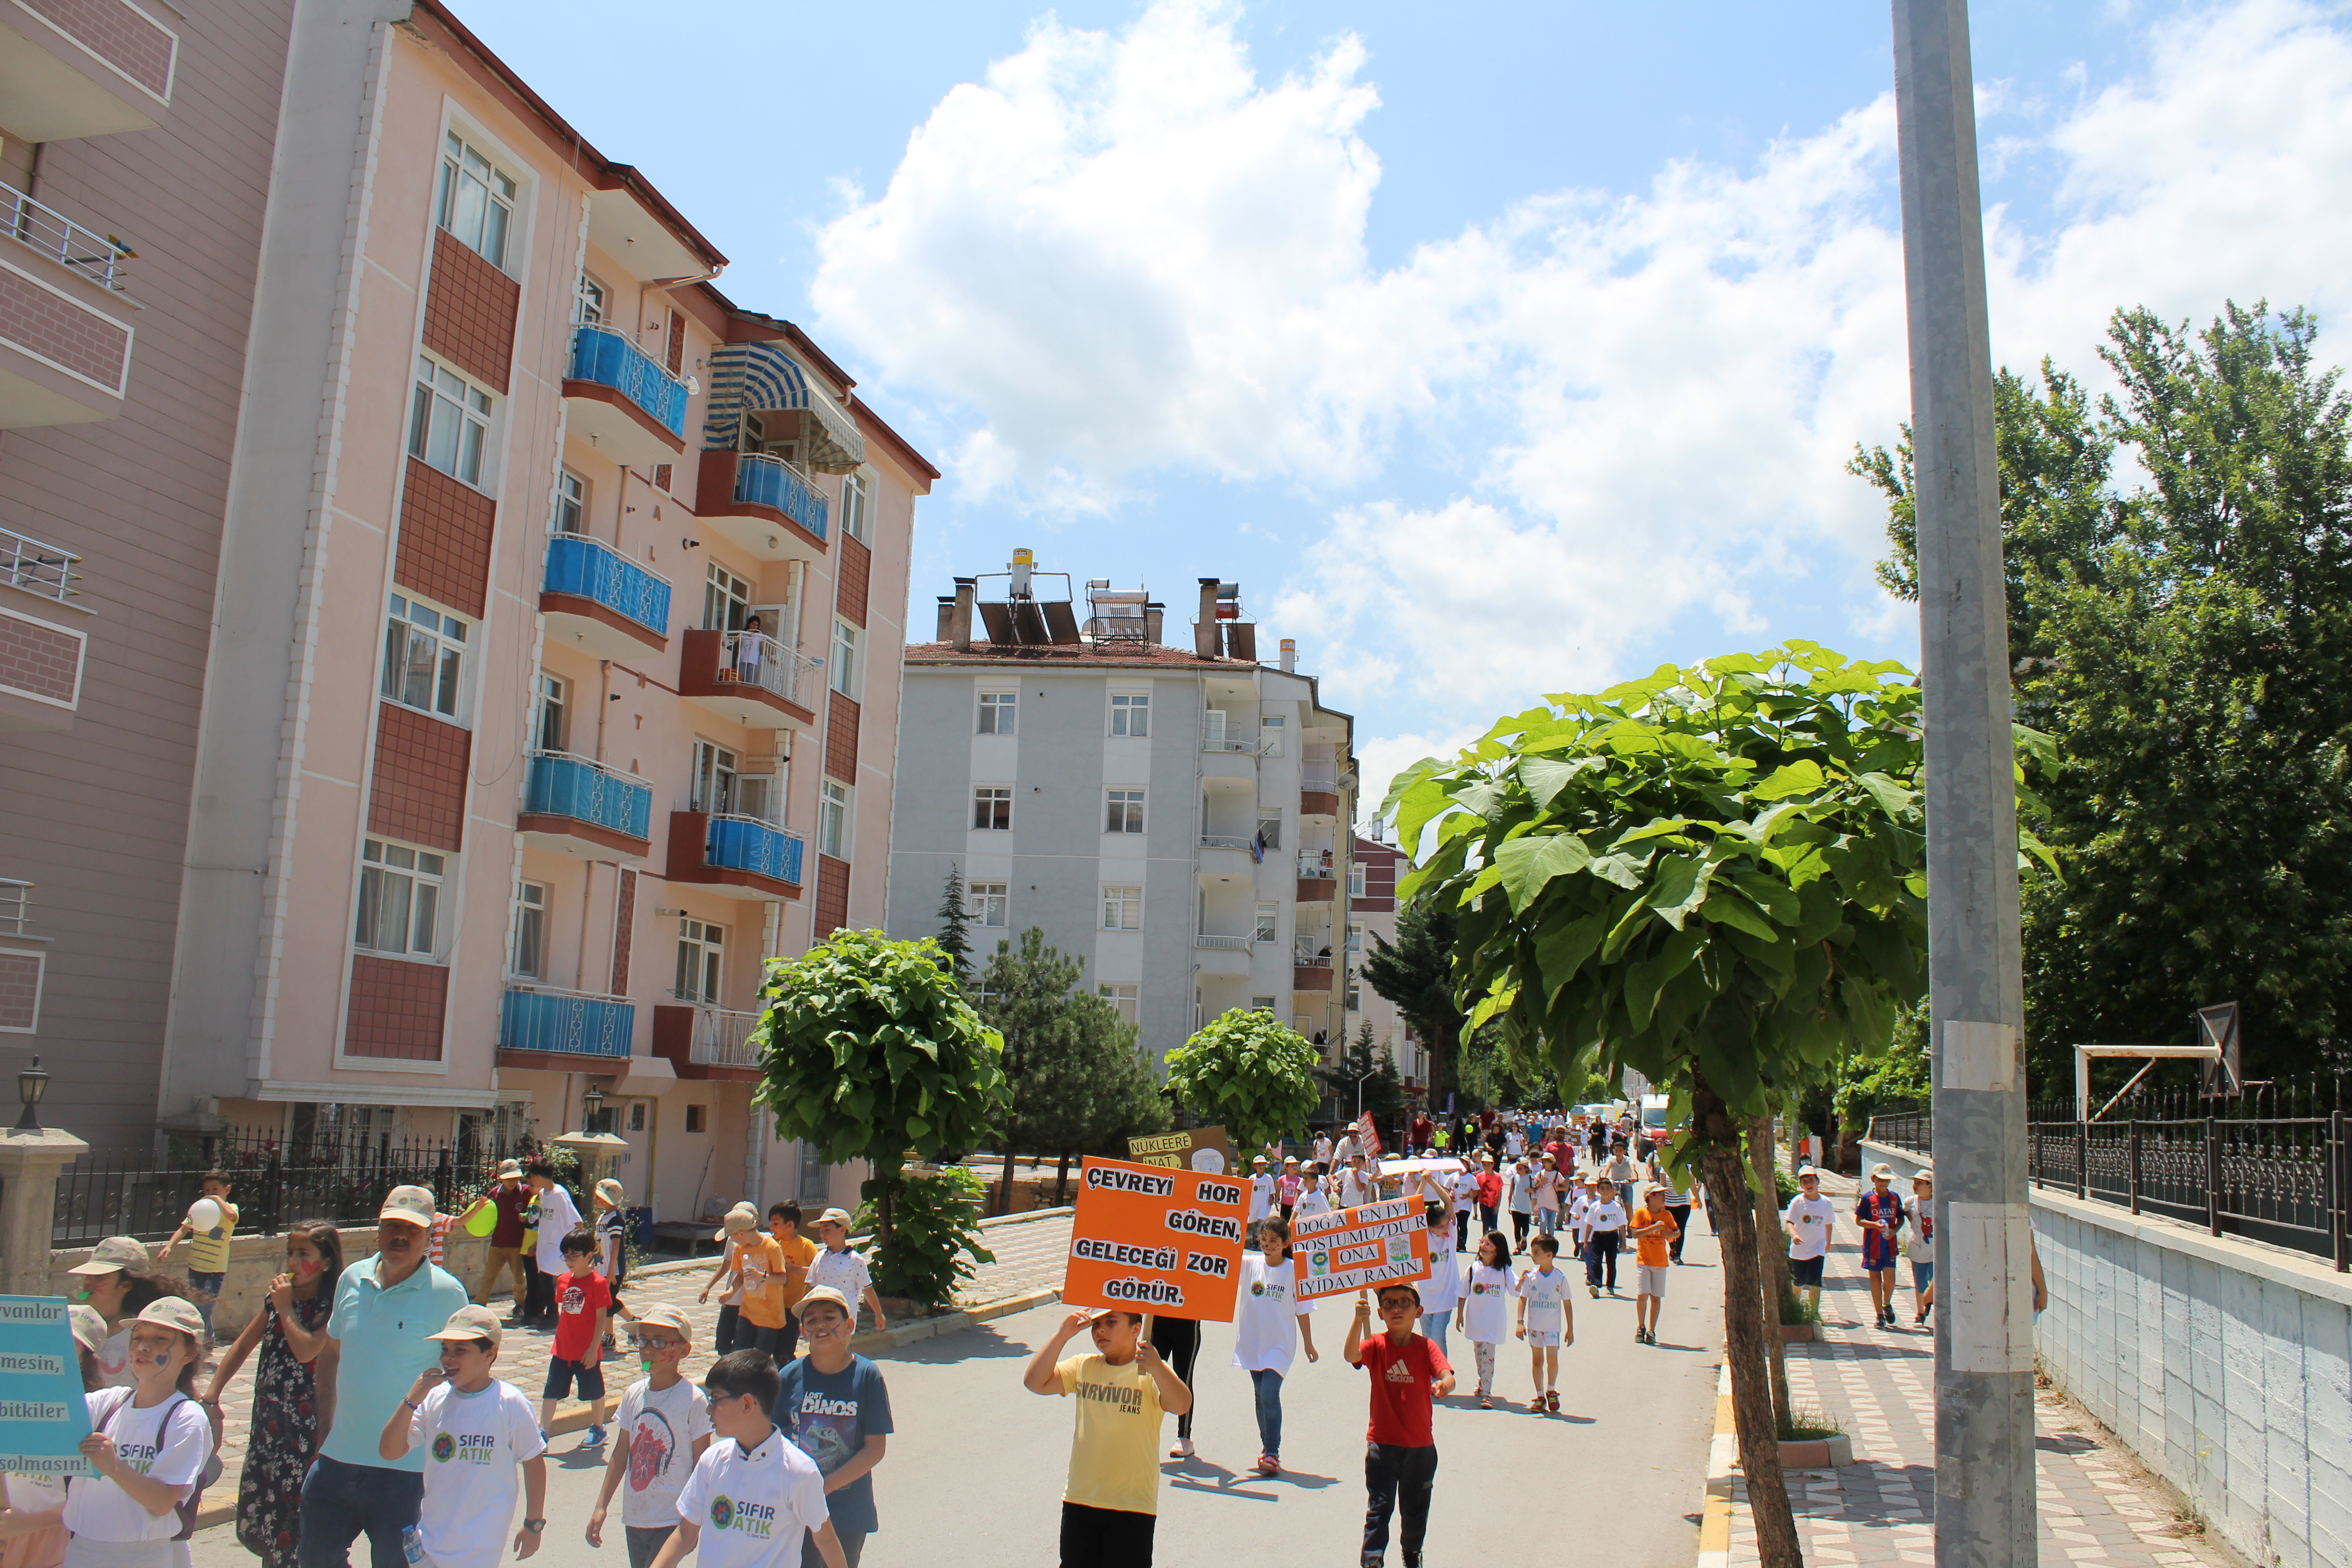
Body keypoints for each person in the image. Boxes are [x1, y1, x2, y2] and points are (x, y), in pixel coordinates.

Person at [298, 1183, 471, 1568]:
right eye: (393, 1225)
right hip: (338, 1459)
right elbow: (331, 1355)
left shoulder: (448, 1295)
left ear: (430, 1237)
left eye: (413, 1229)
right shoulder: (351, 1280)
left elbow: (463, 1378)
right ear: (378, 1229)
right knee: (313, 1559)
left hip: (404, 1472)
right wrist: (324, 1430)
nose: (401, 1236)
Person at [207, 1221, 340, 1568]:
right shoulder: (277, 1300)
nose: (293, 1262)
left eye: (304, 1254)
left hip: (303, 1432)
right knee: (261, 1520)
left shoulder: (331, 1306)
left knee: (290, 1525)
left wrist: (286, 1308)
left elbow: (307, 1350)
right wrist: (213, 1393)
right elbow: (243, 1344)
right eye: (290, 1254)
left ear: (326, 1262)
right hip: (269, 1426)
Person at [376, 1304, 547, 1568]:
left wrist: (533, 1524)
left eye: (461, 1351)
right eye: (445, 1349)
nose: (448, 1359)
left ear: (490, 1354)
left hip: (479, 1548)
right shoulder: (435, 1399)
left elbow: (534, 1463)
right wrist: (412, 1399)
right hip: (430, 1543)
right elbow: (389, 1450)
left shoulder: (510, 1403)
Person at [49, 1297, 216, 1567]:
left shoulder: (187, 1418)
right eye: (137, 1338)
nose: (144, 1347)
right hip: (80, 1551)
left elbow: (162, 1502)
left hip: (142, 1556)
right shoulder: (107, 1403)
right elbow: (45, 1418)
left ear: (189, 1354)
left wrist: (114, 1467)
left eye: (161, 1339)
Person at [1021, 1309, 1191, 1567]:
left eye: (1111, 1323)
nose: (1100, 1330)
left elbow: (1182, 1405)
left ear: (1137, 1330)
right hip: (1081, 1499)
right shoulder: (1083, 1366)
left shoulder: (1151, 1372)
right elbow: (1035, 1382)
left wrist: (1157, 1366)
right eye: (1096, 1324)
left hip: (1133, 1505)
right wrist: (1062, 1336)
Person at [653, 1351, 847, 1568]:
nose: (708, 1409)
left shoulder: (799, 1471)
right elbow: (684, 1535)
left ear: (747, 1404)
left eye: (715, 1399)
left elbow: (825, 1538)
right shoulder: (713, 1460)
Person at [772, 1287, 891, 1568]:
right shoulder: (788, 1376)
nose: (821, 1325)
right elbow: (773, 1440)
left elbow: (875, 1449)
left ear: (849, 1325)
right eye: (811, 1320)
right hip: (794, 1510)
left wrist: (823, 1487)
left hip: (847, 1512)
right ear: (803, 1331)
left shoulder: (867, 1376)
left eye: (829, 1317)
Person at [588, 1305, 711, 1568]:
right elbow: (621, 1455)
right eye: (642, 1341)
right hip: (636, 1516)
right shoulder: (634, 1394)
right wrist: (602, 1506)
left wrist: (695, 1520)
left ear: (684, 1350)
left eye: (659, 1342)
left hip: (673, 1518)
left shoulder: (694, 1400)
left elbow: (702, 1465)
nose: (648, 1349)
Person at [1347, 1283, 1453, 1568]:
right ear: (1380, 1313)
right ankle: (1372, 1559)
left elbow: (1447, 1374)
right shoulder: (1376, 1345)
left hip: (1420, 1448)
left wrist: (1444, 1384)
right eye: (1390, 1304)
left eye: (1405, 1303)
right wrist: (1358, 1322)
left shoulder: (1426, 1347)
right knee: (1379, 1508)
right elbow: (1351, 1356)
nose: (1397, 1309)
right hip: (1382, 1445)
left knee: (1415, 1510)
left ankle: (1412, 1553)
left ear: (1418, 1311)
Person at [1231, 1218, 1317, 1477]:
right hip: (1252, 1341)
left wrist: (1309, 1344)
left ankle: (1272, 1452)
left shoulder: (1294, 1271)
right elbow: (1223, 1256)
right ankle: (1266, 1446)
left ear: (1286, 1244)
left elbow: (1303, 1310)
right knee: (1259, 1396)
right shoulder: (1250, 1265)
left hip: (1279, 1345)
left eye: (1274, 1242)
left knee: (1269, 1394)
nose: (1267, 1245)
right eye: (1264, 1240)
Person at [543, 1227, 613, 1450]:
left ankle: (599, 1428)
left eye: (575, 1256)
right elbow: (565, 1313)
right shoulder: (563, 1280)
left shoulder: (598, 1283)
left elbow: (601, 1317)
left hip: (587, 1351)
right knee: (551, 1391)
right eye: (567, 1256)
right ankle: (543, 1432)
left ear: (589, 1256)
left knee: (594, 1391)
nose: (570, 1261)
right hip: (563, 1349)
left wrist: (594, 1348)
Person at [155, 1169, 238, 1339]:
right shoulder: (200, 1210)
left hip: (215, 1271)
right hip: (195, 1267)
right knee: (199, 1306)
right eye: (207, 1190)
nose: (210, 1194)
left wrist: (217, 1200)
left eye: (216, 1189)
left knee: (204, 1309)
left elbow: (232, 1216)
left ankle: (200, 1345)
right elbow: (184, 1228)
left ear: (227, 1190)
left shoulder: (231, 1208)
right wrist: (169, 1246)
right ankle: (209, 1338)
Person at [1513, 1233, 1573, 1412]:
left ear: (1550, 1255)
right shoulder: (1531, 1277)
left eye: (1537, 1252)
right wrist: (1520, 1322)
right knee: (1537, 1361)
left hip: (1552, 1328)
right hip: (1534, 1327)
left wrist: (1570, 1330)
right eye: (1532, 1251)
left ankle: (1551, 1390)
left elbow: (1567, 1303)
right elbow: (1523, 1298)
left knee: (1552, 1361)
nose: (1533, 1255)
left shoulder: (1560, 1278)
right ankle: (1540, 1396)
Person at [1454, 1230, 1513, 1411]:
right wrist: (1460, 1315)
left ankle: (1487, 1393)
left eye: (1489, 1244)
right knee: (1479, 1354)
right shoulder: (1473, 1269)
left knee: (1488, 1355)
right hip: (1476, 1320)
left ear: (1498, 1250)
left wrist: (1528, 1279)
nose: (1484, 1247)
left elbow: (1517, 1288)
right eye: (1482, 1242)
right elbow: (1463, 1293)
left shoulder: (1504, 1270)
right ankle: (1482, 1382)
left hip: (1493, 1321)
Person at [806, 1210, 887, 1335]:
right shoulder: (819, 1257)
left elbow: (867, 1289)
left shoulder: (855, 1259)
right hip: (820, 1319)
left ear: (843, 1230)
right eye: (821, 1231)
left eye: (827, 1230)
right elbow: (810, 1287)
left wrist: (879, 1314)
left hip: (843, 1322)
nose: (823, 1235)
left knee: (840, 1351)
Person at [698, 1205, 761, 1357]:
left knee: (744, 1345)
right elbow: (727, 1266)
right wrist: (708, 1287)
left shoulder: (767, 1243)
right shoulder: (733, 1241)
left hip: (752, 1302)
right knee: (723, 1343)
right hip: (732, 1299)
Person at [474, 1161, 533, 1313]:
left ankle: (520, 1305)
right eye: (509, 1179)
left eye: (515, 1178)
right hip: (498, 1243)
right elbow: (486, 1213)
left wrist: (526, 1217)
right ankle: (479, 1305)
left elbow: (536, 1211)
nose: (512, 1182)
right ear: (501, 1179)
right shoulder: (494, 1194)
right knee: (488, 1276)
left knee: (519, 1278)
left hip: (517, 1244)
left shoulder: (527, 1192)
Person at [765, 1204, 819, 1365]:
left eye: (776, 1223)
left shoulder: (806, 1245)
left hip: (793, 1307)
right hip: (772, 1305)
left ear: (790, 1225)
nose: (771, 1227)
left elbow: (819, 1270)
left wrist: (797, 1269)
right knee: (768, 1348)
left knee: (785, 1350)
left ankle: (787, 1377)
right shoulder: (771, 1244)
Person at [1626, 1187, 1681, 1346]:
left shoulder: (1667, 1215)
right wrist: (1653, 1228)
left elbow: (1676, 1232)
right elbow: (1634, 1233)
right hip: (1644, 1260)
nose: (1664, 1197)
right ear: (1650, 1198)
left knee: (1656, 1298)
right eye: (1661, 1194)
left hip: (1660, 1262)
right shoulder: (1641, 1213)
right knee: (1643, 1295)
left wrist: (1671, 1235)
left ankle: (1651, 1330)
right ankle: (1641, 1326)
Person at [1857, 1163, 1908, 1329]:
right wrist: (1875, 1225)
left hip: (1890, 1245)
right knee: (1875, 1279)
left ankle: (1887, 1304)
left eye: (1887, 1180)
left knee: (1890, 1280)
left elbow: (1901, 1218)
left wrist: (1894, 1231)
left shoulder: (1895, 1198)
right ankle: (1879, 1314)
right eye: (1881, 1179)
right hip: (1873, 1246)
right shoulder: (1867, 1199)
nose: (1884, 1183)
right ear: (1874, 1179)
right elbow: (1859, 1220)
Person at [1782, 1167, 1838, 1320]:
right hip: (1799, 1250)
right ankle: (1794, 1310)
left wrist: (1828, 1242)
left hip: (1818, 1248)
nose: (1809, 1184)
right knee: (1799, 1282)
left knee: (1815, 1281)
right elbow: (1789, 1222)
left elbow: (1828, 1223)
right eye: (1805, 1182)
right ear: (1801, 1185)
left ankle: (1814, 1313)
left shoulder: (1826, 1203)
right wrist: (1794, 1235)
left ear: (1818, 1182)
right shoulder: (1798, 1202)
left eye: (1812, 1181)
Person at [1415, 1202, 1458, 1357]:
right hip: (1425, 1297)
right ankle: (1431, 1376)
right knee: (1427, 1339)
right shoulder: (1423, 1237)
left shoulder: (1451, 1236)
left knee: (1438, 1337)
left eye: (1447, 1224)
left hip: (1446, 1296)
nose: (1446, 1228)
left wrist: (1432, 1182)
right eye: (1441, 1226)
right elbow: (1410, 1211)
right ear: (1430, 1228)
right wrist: (1423, 1183)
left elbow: (1448, 1202)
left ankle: (1442, 1376)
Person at [1582, 1178, 1630, 1297]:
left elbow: (1622, 1226)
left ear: (1612, 1190)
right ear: (1598, 1191)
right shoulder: (1595, 1207)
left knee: (1611, 1262)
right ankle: (1596, 1285)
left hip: (1612, 1237)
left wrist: (1623, 1242)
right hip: (1598, 1237)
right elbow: (1589, 1224)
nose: (1605, 1191)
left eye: (1608, 1189)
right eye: (1602, 1189)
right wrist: (1586, 1241)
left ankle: (1610, 1285)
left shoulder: (1617, 1207)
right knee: (1596, 1262)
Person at [1906, 1168, 1936, 1325]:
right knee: (1920, 1283)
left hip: (1934, 1250)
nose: (1915, 1186)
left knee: (1935, 1281)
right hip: (1917, 1249)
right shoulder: (1910, 1202)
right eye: (1915, 1182)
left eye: (1920, 1183)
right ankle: (1920, 1313)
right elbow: (1904, 1213)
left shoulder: (1938, 1203)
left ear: (1931, 1186)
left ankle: (1931, 1306)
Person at [1505, 1158, 1535, 1254]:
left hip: (1526, 1206)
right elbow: (1511, 1191)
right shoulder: (1514, 1178)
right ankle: (1518, 1247)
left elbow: (1535, 1191)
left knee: (1526, 1227)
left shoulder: (1531, 1179)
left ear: (1526, 1169)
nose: (1519, 1170)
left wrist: (1531, 1190)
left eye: (1521, 1168)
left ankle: (1524, 1238)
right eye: (1518, 1168)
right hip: (1515, 1205)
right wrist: (1509, 1204)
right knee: (1517, 1227)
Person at [1450, 1160, 1478, 1252]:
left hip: (1466, 1204)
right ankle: (1456, 1244)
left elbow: (1477, 1190)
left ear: (1468, 1166)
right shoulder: (1453, 1176)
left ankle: (1462, 1245)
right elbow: (1446, 1187)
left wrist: (1467, 1195)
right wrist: (1450, 1194)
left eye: (1464, 1164)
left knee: (1463, 1223)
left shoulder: (1471, 1178)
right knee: (1456, 1224)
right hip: (1455, 1204)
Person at [1472, 1156, 1501, 1236]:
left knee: (1494, 1225)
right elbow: (1476, 1189)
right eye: (1485, 1165)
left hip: (1494, 1203)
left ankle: (1494, 1241)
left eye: (1489, 1165)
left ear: (1493, 1165)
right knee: (1486, 1223)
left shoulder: (1498, 1177)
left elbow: (1499, 1192)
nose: (1487, 1167)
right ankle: (1485, 1240)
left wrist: (1498, 1206)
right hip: (1484, 1203)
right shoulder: (1479, 1176)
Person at [1247, 1156, 1274, 1230]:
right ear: (1255, 1166)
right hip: (1254, 1204)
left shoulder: (1268, 1178)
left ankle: (1260, 1239)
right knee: (1253, 1223)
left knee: (1261, 1222)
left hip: (1264, 1204)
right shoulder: (1252, 1178)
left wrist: (1271, 1198)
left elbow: (1272, 1190)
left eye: (1263, 1165)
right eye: (1259, 1165)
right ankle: (1255, 1240)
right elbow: (1248, 1191)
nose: (1261, 1167)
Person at [1274, 1158, 1302, 1223]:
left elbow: (1300, 1193)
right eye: (1292, 1166)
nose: (1295, 1167)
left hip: (1294, 1205)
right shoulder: (1282, 1179)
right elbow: (1278, 1190)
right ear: (1287, 1167)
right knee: (1283, 1222)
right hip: (1284, 1205)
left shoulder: (1299, 1180)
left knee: (1292, 1223)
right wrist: (1276, 1201)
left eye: (1296, 1166)